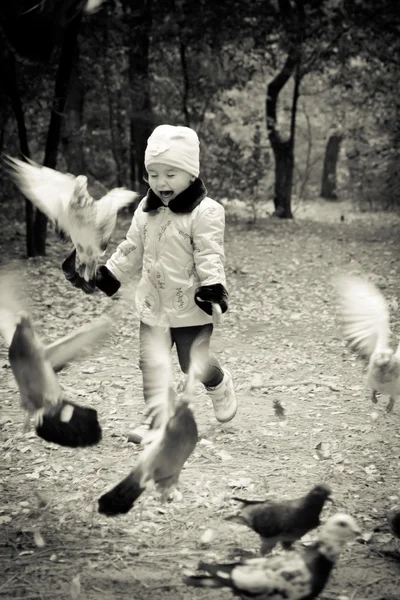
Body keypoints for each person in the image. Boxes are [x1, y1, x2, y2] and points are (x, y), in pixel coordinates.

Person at [63, 124, 237, 442]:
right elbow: (131, 248)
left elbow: (211, 254)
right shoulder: (145, 211)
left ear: (191, 173)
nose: (161, 182)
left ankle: (217, 380)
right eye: (153, 174)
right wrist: (109, 274)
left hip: (191, 309)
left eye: (171, 173)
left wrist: (213, 288)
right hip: (153, 306)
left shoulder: (206, 213)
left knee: (191, 364)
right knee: (151, 362)